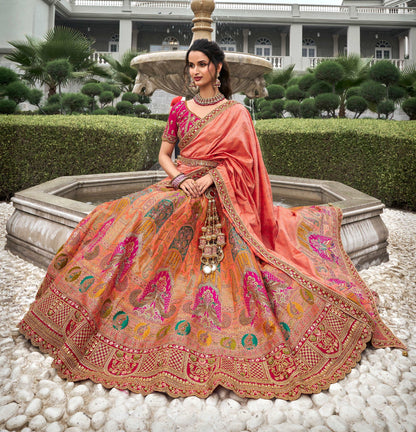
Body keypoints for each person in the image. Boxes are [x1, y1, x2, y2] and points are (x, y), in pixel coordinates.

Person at [19, 39, 406, 400]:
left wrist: (210, 178)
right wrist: (182, 178)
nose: (195, 72)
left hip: (220, 190)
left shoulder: (236, 112)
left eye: (202, 65)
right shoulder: (178, 108)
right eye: (191, 66)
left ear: (218, 68)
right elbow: (165, 156)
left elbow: (245, 164)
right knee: (117, 217)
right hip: (181, 184)